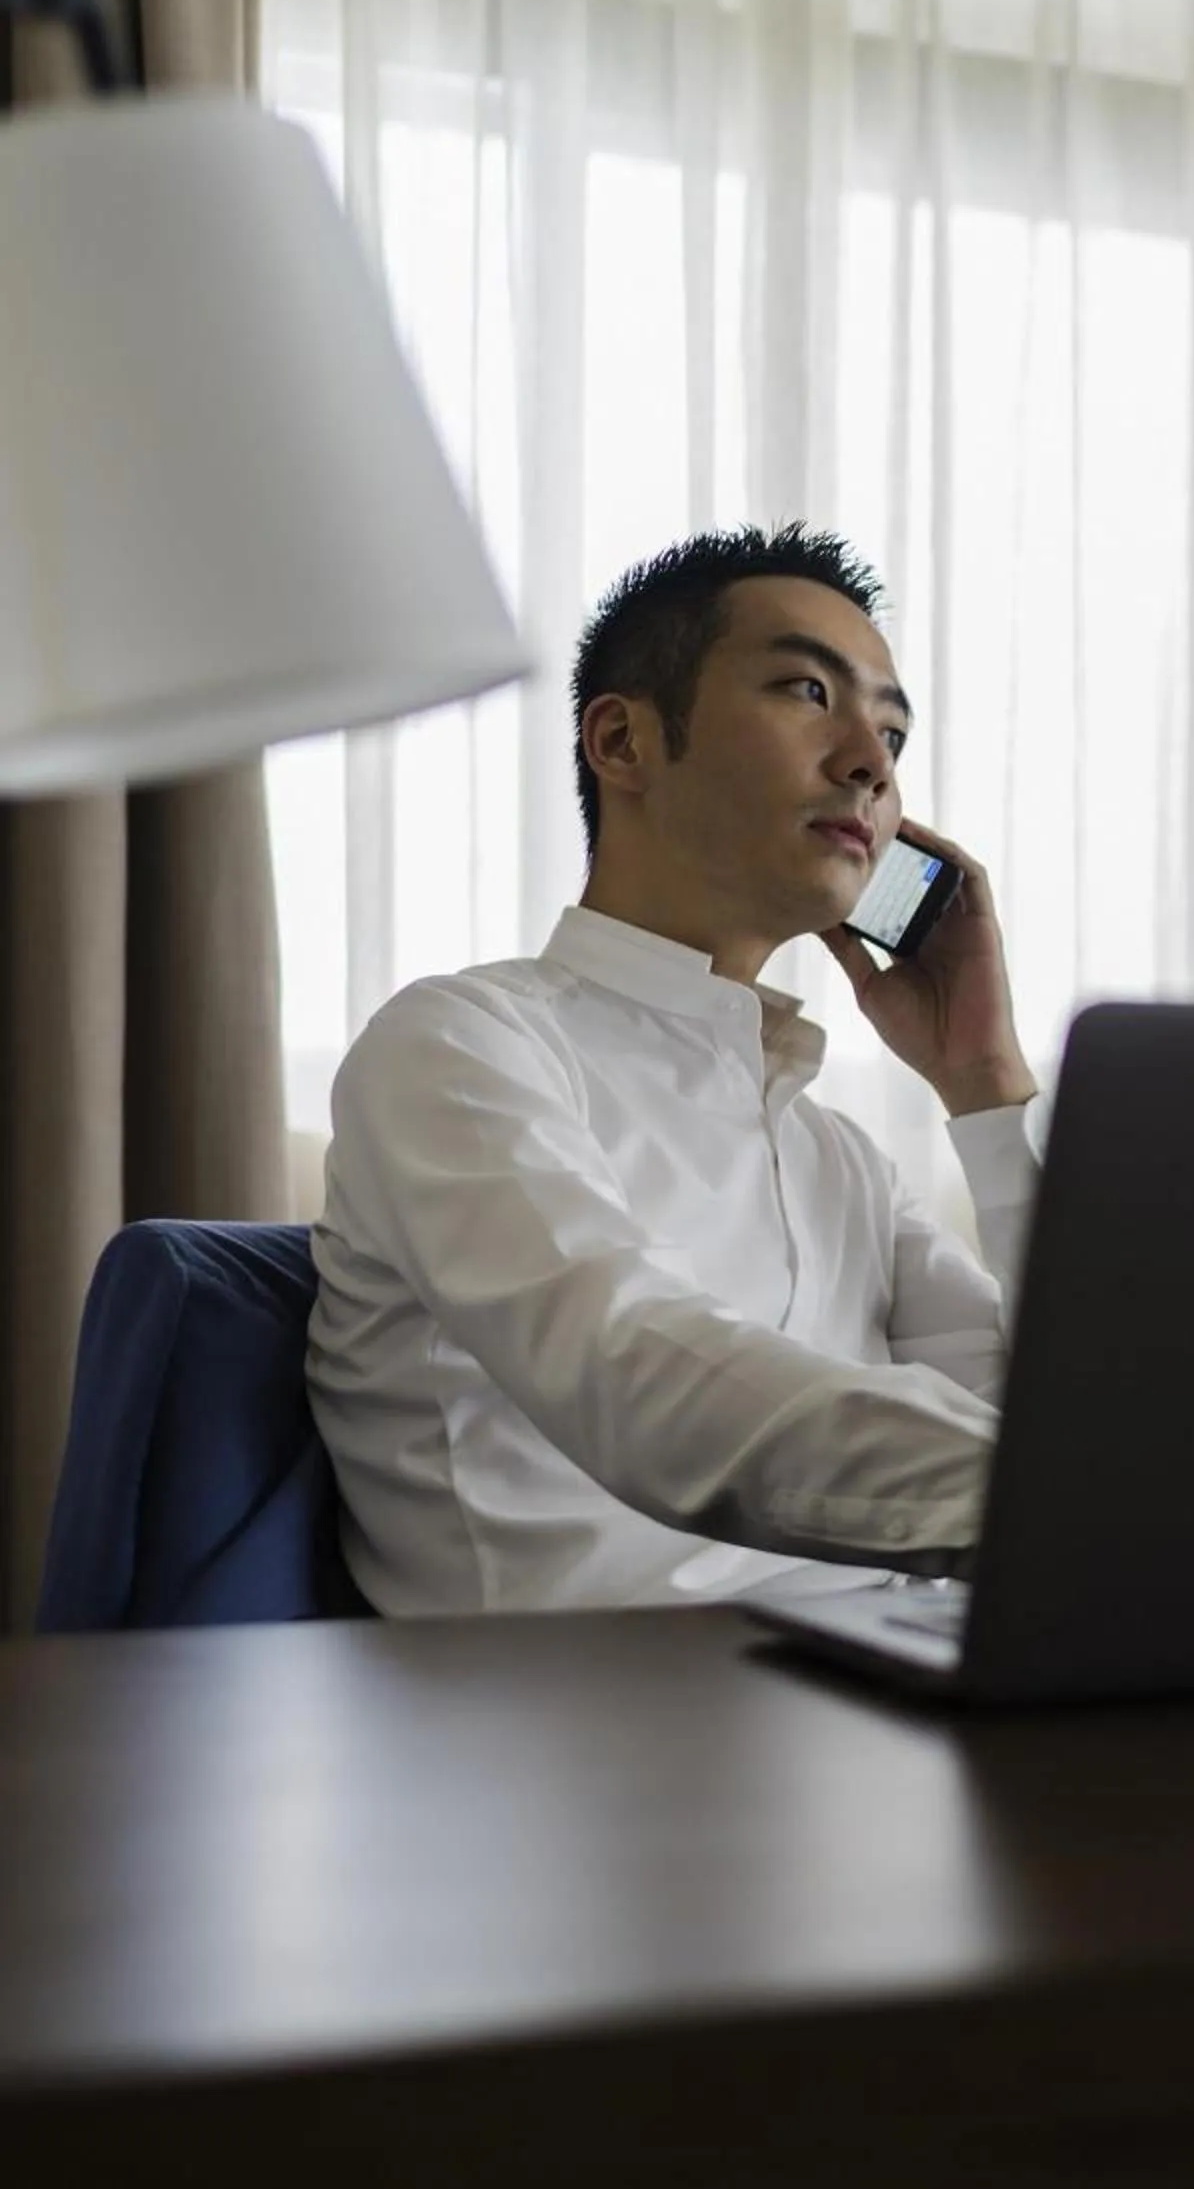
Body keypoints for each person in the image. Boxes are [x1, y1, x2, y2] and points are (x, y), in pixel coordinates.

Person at [307, 525, 1036, 1614]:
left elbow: (1065, 1419)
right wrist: (1099, 1510)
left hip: (872, 1689)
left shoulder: (841, 1160)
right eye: (806, 691)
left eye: (892, 731)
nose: (871, 764)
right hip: (575, 1726)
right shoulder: (459, 1045)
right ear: (623, 742)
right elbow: (643, 1384)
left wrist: (984, 1089)